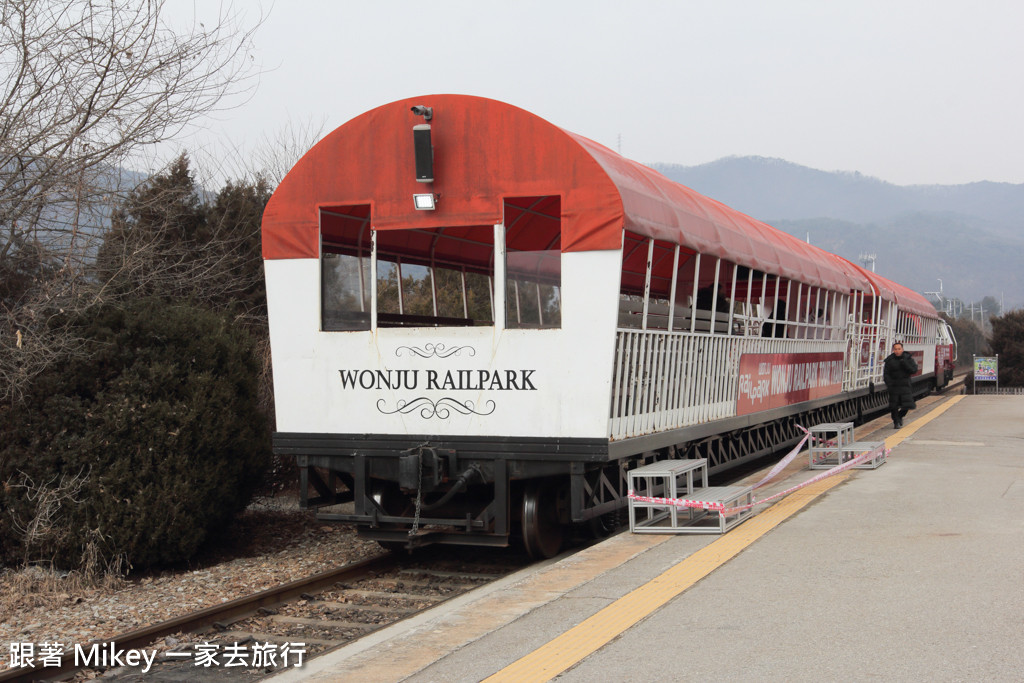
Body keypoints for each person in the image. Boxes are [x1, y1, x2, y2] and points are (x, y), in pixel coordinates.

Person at [883, 342, 918, 428]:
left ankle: (900, 416)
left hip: (905, 385)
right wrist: (889, 384)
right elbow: (886, 374)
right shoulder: (889, 360)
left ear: (902, 349)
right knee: (894, 406)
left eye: (899, 349)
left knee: (907, 405)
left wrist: (905, 363)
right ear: (893, 350)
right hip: (894, 386)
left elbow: (914, 370)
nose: (897, 351)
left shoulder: (908, 358)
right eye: (895, 349)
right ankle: (896, 422)